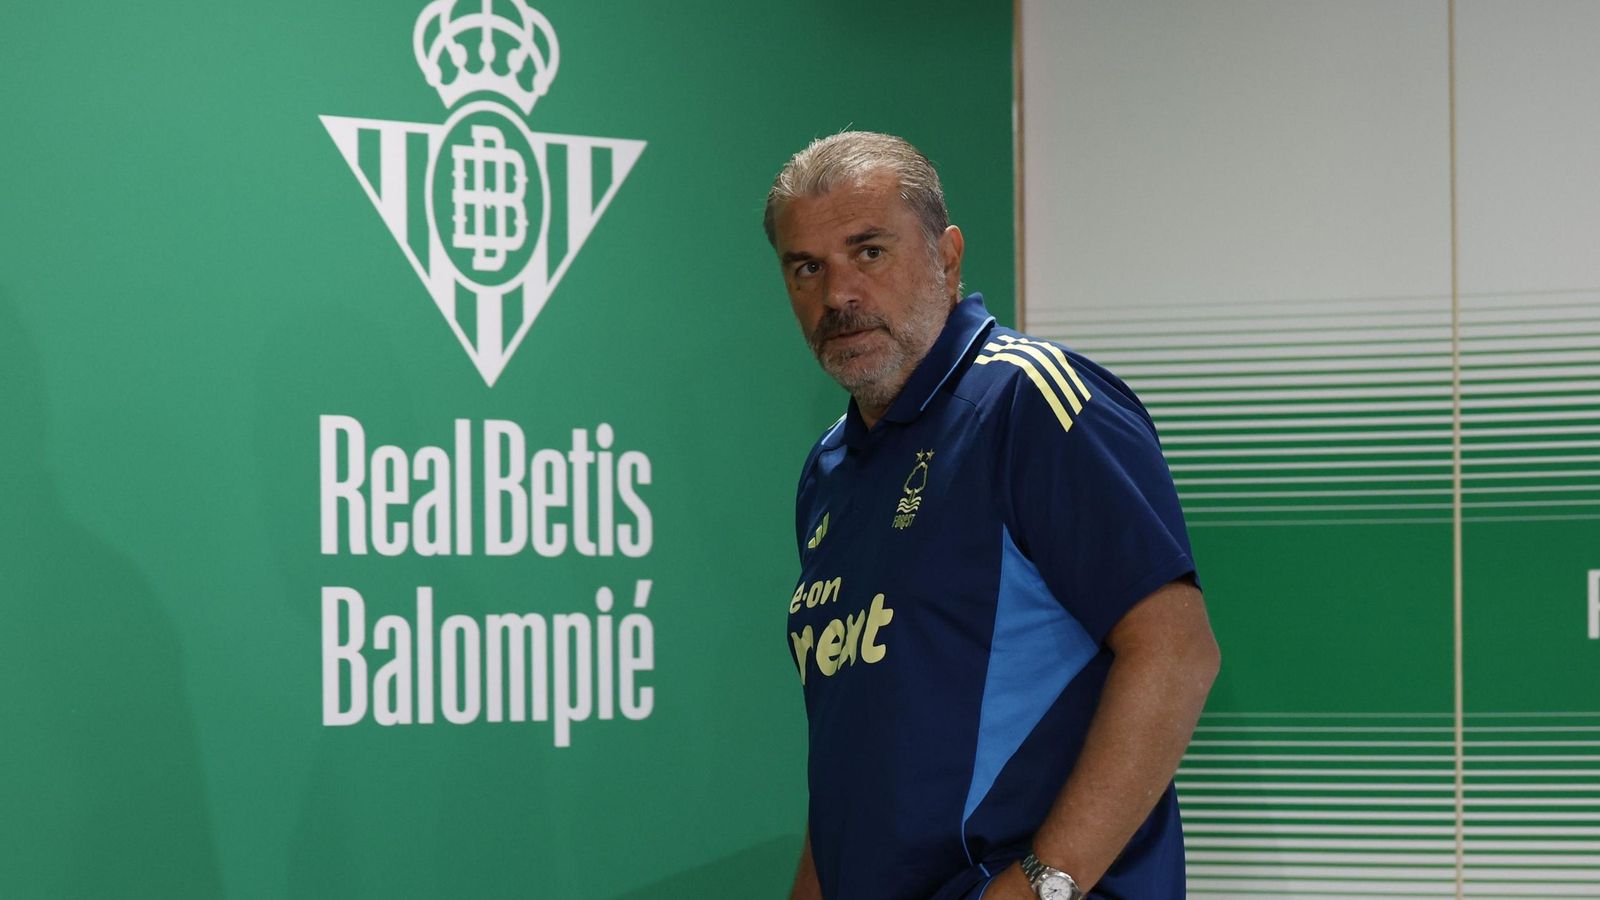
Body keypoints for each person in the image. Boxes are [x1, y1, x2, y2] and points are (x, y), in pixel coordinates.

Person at [766, 131, 1220, 900]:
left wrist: (1041, 883)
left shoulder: (1030, 400)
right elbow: (853, 754)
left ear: (946, 255)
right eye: (807, 267)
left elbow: (1176, 654)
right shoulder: (829, 469)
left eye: (868, 251)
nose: (838, 295)